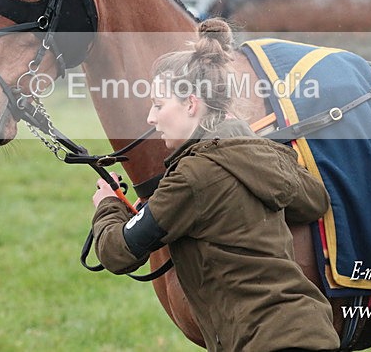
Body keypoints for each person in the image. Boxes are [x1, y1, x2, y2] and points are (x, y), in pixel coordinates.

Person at [91, 18, 339, 352]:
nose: (151, 118)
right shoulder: (265, 154)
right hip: (311, 334)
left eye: (159, 105)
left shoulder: (190, 178)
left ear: (191, 104)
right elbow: (315, 200)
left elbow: (117, 253)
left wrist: (108, 205)